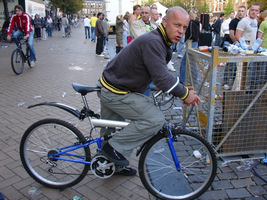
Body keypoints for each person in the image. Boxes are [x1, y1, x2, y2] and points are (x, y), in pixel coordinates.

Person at [96, 7, 201, 172]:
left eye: (184, 27)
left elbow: (156, 74)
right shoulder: (154, 42)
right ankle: (113, 151)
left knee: (112, 130)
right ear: (164, 22)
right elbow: (163, 79)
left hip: (112, 85)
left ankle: (108, 165)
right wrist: (184, 94)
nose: (181, 31)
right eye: (177, 25)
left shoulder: (159, 40)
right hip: (114, 91)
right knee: (155, 119)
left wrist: (180, 89)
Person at [236, 3, 261, 90]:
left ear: (259, 12)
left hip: (252, 50)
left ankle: (243, 92)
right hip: (243, 51)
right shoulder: (244, 21)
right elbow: (238, 35)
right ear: (249, 10)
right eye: (252, 10)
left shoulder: (255, 21)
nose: (254, 12)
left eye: (256, 10)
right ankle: (236, 92)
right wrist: (243, 46)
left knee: (248, 74)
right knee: (240, 74)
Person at [223, 6, 247, 90]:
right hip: (233, 46)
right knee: (230, 65)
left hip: (243, 48)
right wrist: (237, 43)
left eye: (242, 11)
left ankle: (235, 84)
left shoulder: (246, 21)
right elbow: (231, 34)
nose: (240, 12)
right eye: (239, 11)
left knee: (239, 67)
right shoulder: (233, 22)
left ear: (245, 12)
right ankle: (226, 82)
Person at [179, 9, 200, 85]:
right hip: (195, 42)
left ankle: (183, 79)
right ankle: (192, 80)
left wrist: (187, 40)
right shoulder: (197, 23)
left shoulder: (191, 23)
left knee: (185, 62)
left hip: (191, 43)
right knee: (191, 62)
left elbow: (191, 33)